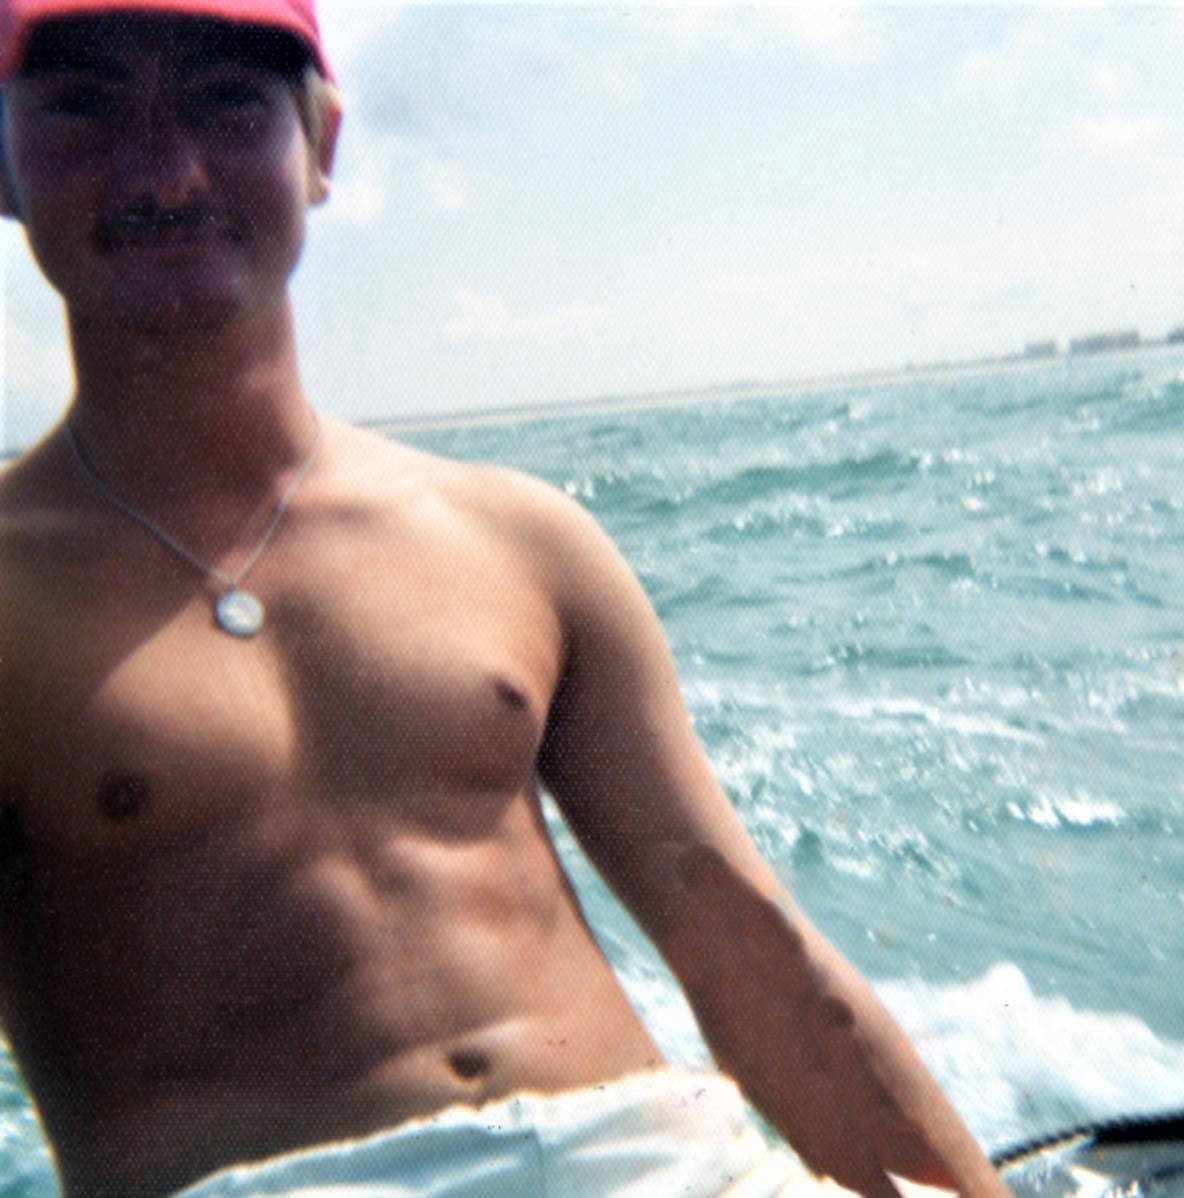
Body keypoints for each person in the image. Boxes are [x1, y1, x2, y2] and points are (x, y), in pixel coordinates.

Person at [0, 1, 1013, 1195]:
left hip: (659, 1162)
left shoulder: (521, 539)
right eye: (83, 108)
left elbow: (754, 957)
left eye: (227, 103)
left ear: (321, 147)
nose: (167, 172)